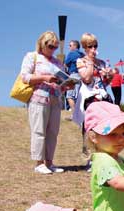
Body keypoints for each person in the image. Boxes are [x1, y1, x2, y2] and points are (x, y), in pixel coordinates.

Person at [20, 31, 73, 174]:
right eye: (50, 46)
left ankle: (49, 162)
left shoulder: (57, 62)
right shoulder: (32, 57)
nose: (52, 50)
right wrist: (44, 78)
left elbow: (61, 81)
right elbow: (25, 77)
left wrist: (67, 85)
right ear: (42, 44)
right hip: (39, 98)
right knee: (39, 130)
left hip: (56, 99)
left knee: (53, 132)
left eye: (55, 47)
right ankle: (39, 162)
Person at [73, 33, 114, 158]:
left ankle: (103, 154)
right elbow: (86, 78)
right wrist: (90, 62)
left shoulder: (102, 63)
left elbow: (106, 83)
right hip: (88, 99)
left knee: (103, 127)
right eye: (90, 46)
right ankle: (89, 157)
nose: (93, 49)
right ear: (85, 47)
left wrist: (109, 75)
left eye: (95, 46)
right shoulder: (81, 61)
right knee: (89, 128)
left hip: (101, 97)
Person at [64, 40, 84, 118]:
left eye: (70, 45)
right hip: (82, 76)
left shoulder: (72, 53)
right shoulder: (82, 55)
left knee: (70, 96)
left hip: (74, 75)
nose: (69, 47)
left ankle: (75, 115)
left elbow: (65, 64)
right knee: (78, 96)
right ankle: (79, 114)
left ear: (75, 46)